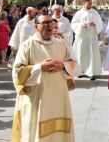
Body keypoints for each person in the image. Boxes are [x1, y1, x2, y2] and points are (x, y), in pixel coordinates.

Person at [11, 14, 76, 142]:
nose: (50, 25)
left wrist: (63, 65)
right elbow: (18, 72)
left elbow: (72, 63)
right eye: (45, 23)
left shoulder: (61, 44)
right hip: (37, 97)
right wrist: (39, 67)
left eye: (51, 22)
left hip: (58, 97)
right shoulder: (27, 45)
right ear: (36, 27)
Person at [71, 0, 103, 80]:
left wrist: (94, 24)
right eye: (89, 3)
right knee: (81, 53)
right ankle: (80, 71)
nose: (90, 4)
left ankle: (91, 72)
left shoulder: (94, 12)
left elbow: (100, 22)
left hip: (92, 37)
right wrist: (81, 25)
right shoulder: (79, 13)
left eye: (91, 3)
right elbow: (74, 23)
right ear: (84, 3)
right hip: (82, 37)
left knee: (91, 53)